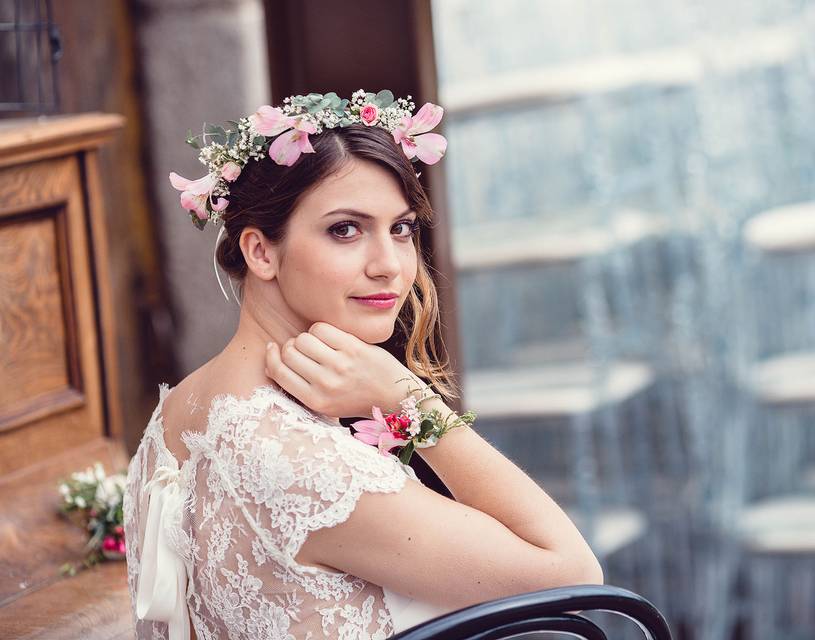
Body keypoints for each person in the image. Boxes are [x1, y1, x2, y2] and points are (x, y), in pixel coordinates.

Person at [123, 90, 603, 640]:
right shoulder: (308, 467)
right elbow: (573, 574)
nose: (390, 267)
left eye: (401, 229)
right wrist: (413, 402)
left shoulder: (176, 413)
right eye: (345, 229)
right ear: (260, 252)